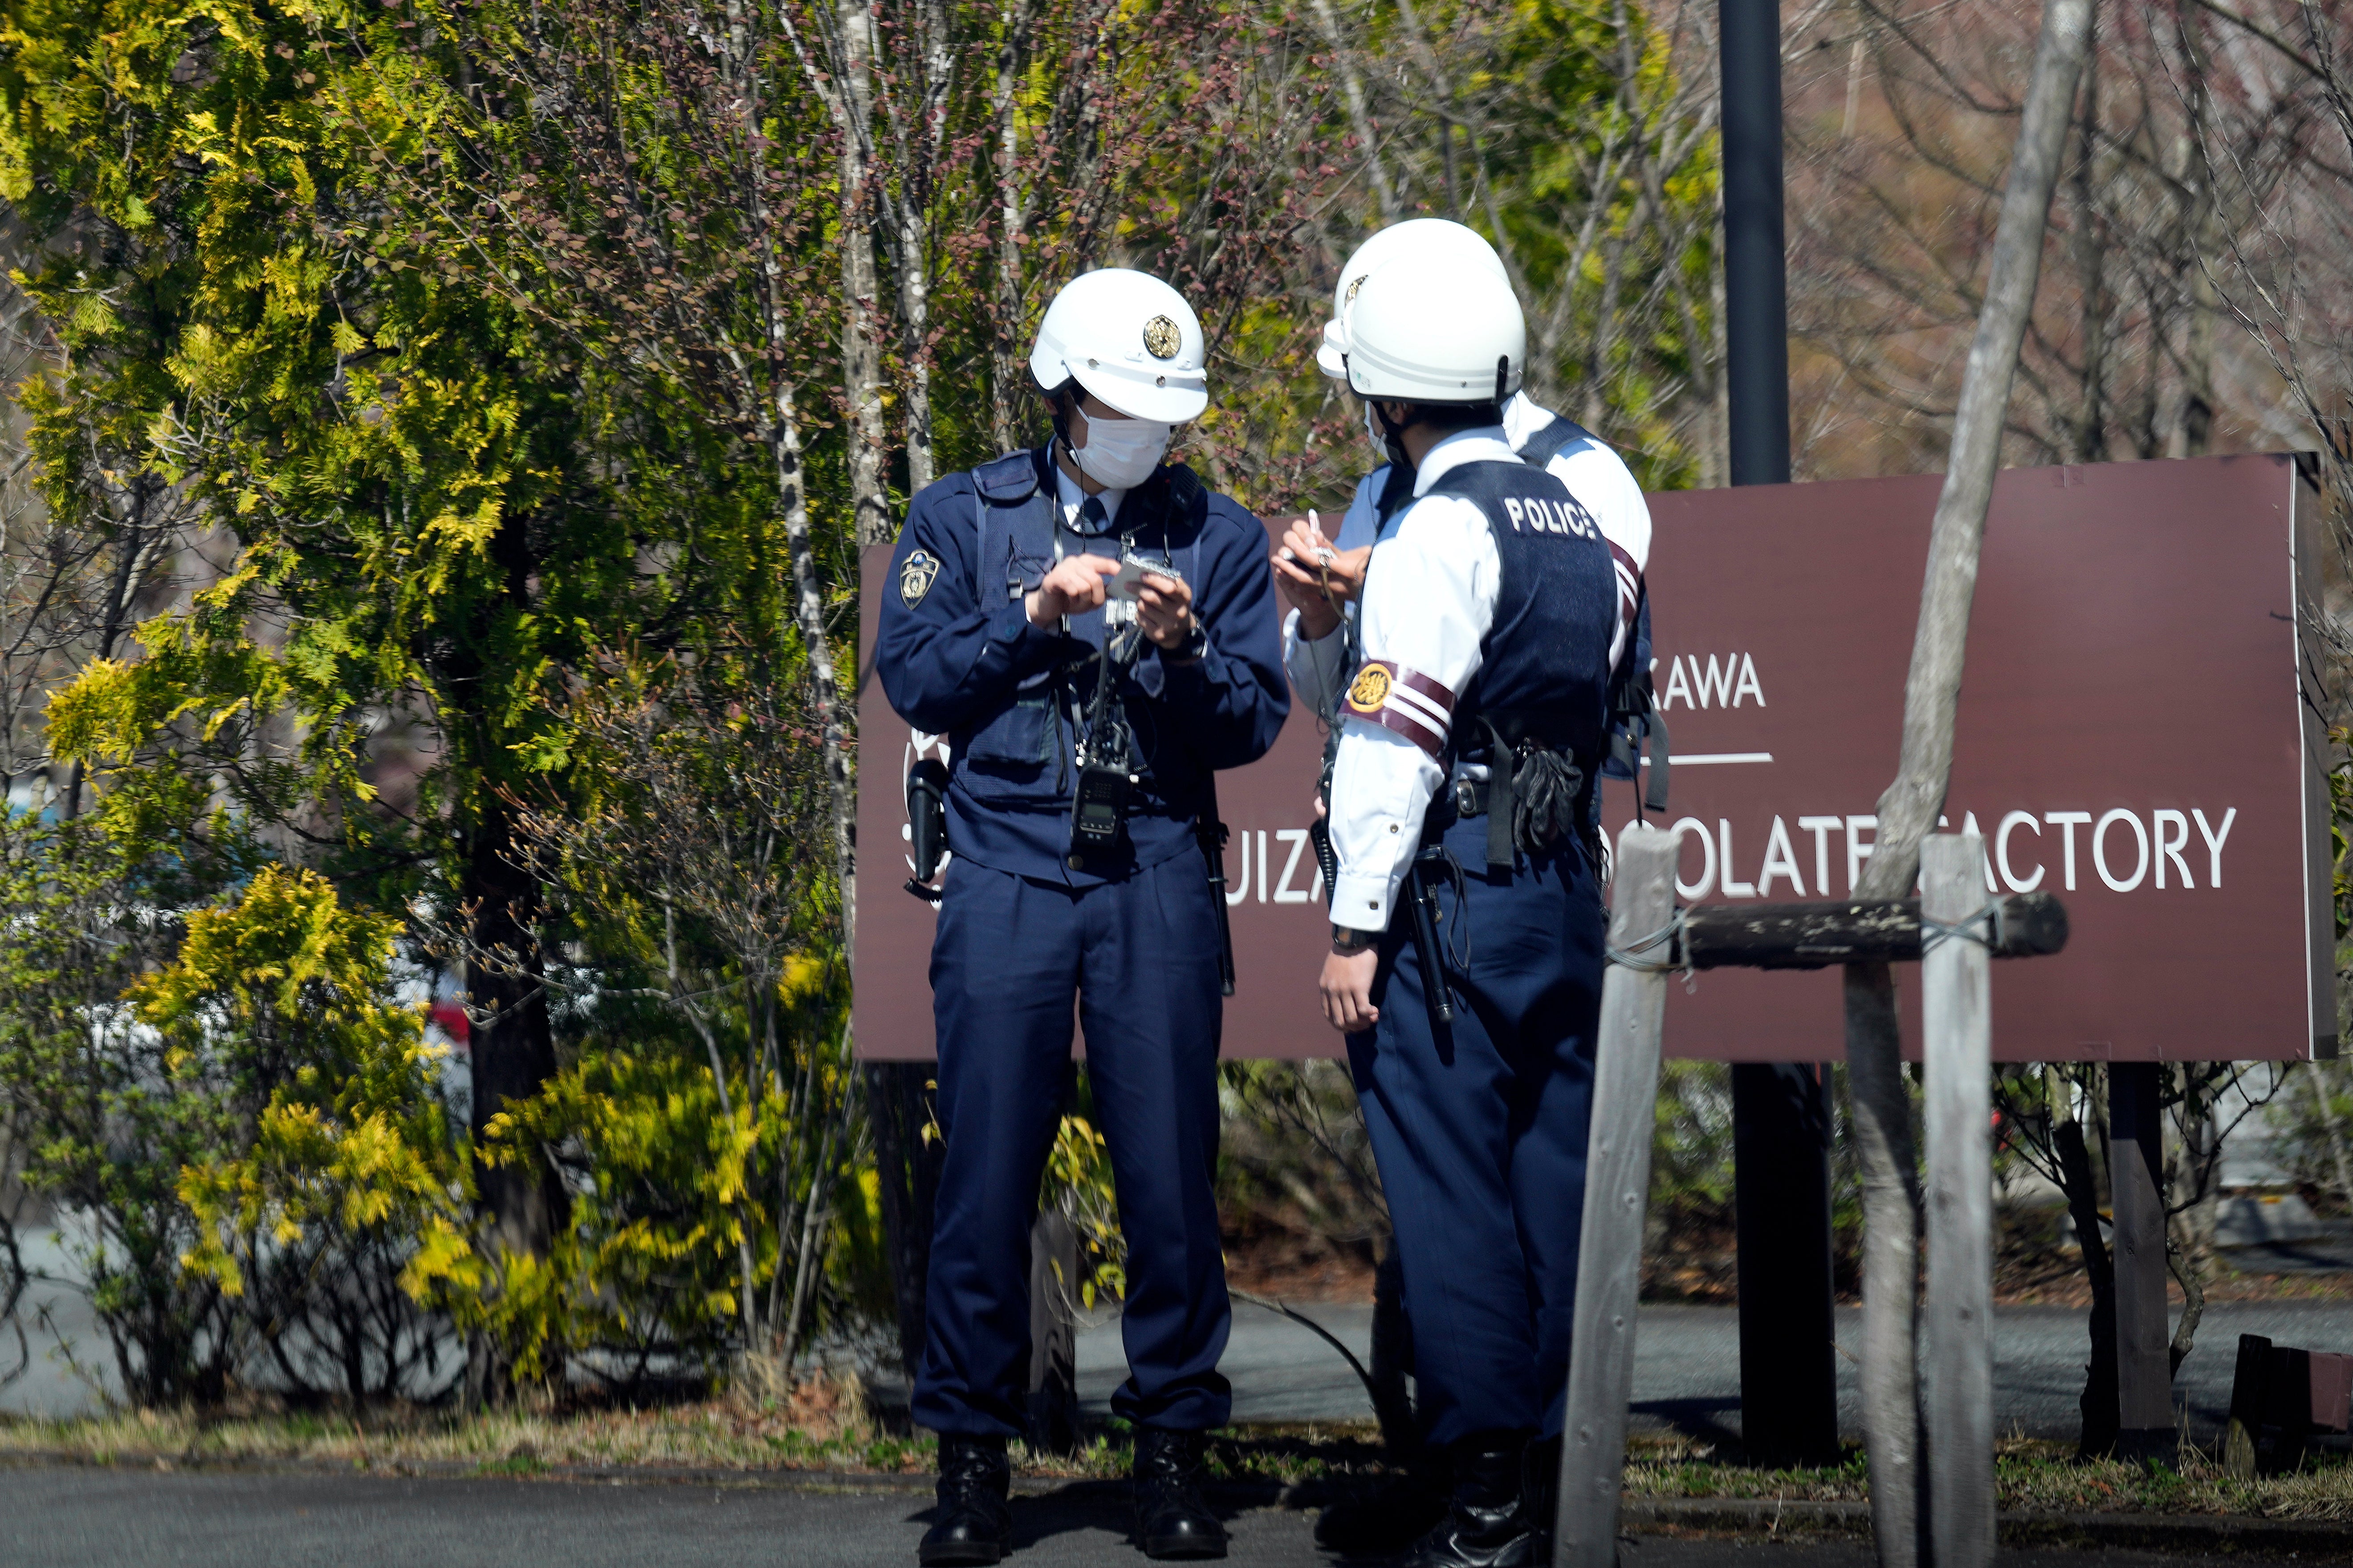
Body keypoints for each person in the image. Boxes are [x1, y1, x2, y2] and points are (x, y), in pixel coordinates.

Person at [875, 267, 1288, 1566]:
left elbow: (1257, 721)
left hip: (1153, 865)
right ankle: (971, 1459)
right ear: (1064, 392)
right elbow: (913, 675)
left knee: (1168, 1176)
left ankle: (1168, 1449)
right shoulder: (964, 513)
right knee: (985, 1173)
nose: (1145, 430)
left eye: (1165, 412)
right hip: (1002, 868)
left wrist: (1178, 652)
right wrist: (1031, 616)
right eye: (1122, 402)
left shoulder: (1216, 536)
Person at [1272, 221, 1659, 1559]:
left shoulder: (1434, 529)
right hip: (1561, 888)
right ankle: (1553, 1479)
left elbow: (1390, 741)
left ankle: (1483, 1498)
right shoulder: (1587, 519)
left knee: (1451, 1205)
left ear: (1387, 391)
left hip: (1450, 905)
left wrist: (1352, 928)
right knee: (1551, 1188)